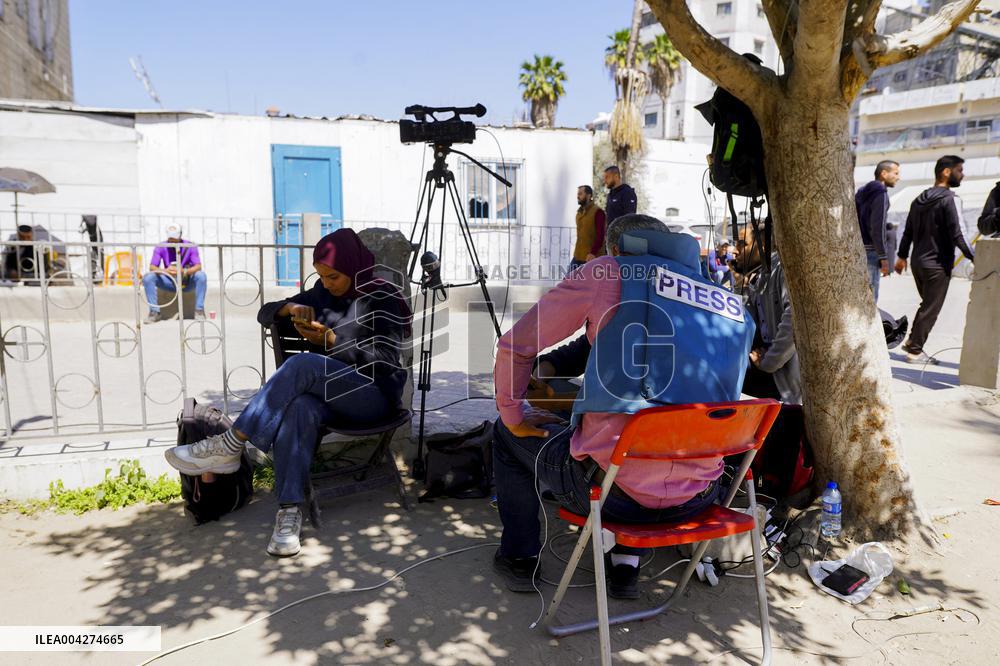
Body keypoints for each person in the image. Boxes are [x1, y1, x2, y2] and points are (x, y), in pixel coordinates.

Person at [491, 214, 754, 599]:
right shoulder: (729, 304)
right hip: (699, 498)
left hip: (614, 497)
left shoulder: (609, 271)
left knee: (507, 432)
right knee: (647, 432)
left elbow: (515, 345)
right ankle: (625, 565)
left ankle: (520, 557)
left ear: (617, 248)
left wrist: (514, 416)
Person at [163, 229, 411, 556]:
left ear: (353, 268)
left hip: (374, 395)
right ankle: (289, 510)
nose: (327, 283)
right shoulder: (323, 292)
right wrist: (291, 308)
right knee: (301, 408)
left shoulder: (384, 297)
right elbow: (265, 311)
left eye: (333, 276)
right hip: (331, 399)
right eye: (321, 276)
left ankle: (230, 444)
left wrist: (334, 342)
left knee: (304, 365)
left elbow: (388, 361)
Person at [894, 155, 975, 365]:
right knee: (931, 309)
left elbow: (907, 232)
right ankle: (914, 351)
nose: (962, 174)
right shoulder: (950, 199)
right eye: (959, 170)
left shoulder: (918, 199)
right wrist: (975, 256)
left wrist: (902, 256)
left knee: (926, 305)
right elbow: (959, 233)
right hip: (938, 265)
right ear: (946, 172)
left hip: (918, 263)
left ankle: (912, 340)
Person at [142, 224, 208, 323]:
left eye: (175, 239)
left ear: (180, 235)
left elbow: (198, 266)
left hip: (186, 281)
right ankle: (154, 312)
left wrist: (184, 271)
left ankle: (199, 310)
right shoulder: (161, 246)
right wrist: (166, 271)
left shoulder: (190, 246)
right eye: (170, 239)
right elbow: (152, 267)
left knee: (201, 275)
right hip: (168, 281)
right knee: (148, 277)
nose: (172, 242)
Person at [856, 160, 900, 302]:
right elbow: (877, 226)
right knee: (870, 298)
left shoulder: (862, 192)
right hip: (871, 251)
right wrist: (883, 256)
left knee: (861, 297)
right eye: (896, 173)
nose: (898, 177)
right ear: (884, 173)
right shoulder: (880, 193)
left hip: (858, 249)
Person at [2, 224, 68, 284]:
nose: (25, 240)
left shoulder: (37, 247)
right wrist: (11, 271)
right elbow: (9, 262)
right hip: (16, 277)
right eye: (22, 237)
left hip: (32, 275)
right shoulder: (13, 246)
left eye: (28, 237)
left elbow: (42, 266)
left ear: (31, 236)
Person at [570, 185, 606, 271]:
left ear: (589, 195)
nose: (577, 196)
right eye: (577, 194)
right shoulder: (579, 213)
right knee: (568, 281)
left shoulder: (598, 212)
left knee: (588, 283)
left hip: (592, 257)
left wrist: (593, 253)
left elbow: (601, 236)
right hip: (578, 255)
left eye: (580, 194)